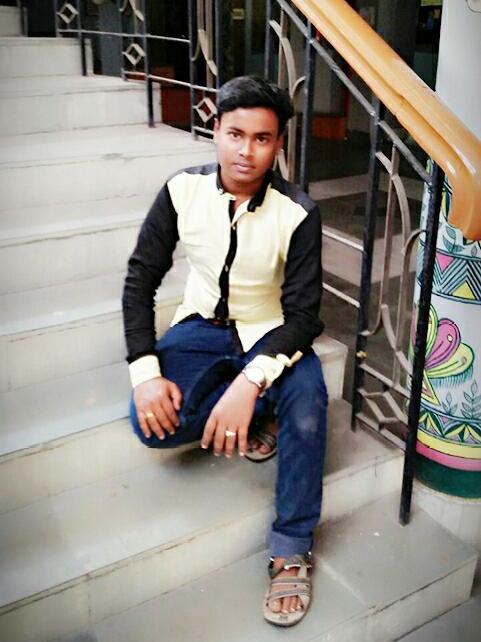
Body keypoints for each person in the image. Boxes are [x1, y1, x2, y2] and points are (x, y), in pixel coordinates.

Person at [122, 75, 328, 627]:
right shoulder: (181, 190)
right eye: (236, 134)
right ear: (215, 130)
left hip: (272, 332)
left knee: (308, 407)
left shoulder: (298, 211)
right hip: (200, 328)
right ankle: (261, 415)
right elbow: (140, 281)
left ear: (277, 144)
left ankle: (291, 547)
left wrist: (249, 382)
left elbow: (304, 317)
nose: (246, 151)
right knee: (152, 425)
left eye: (262, 139)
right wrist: (145, 373)